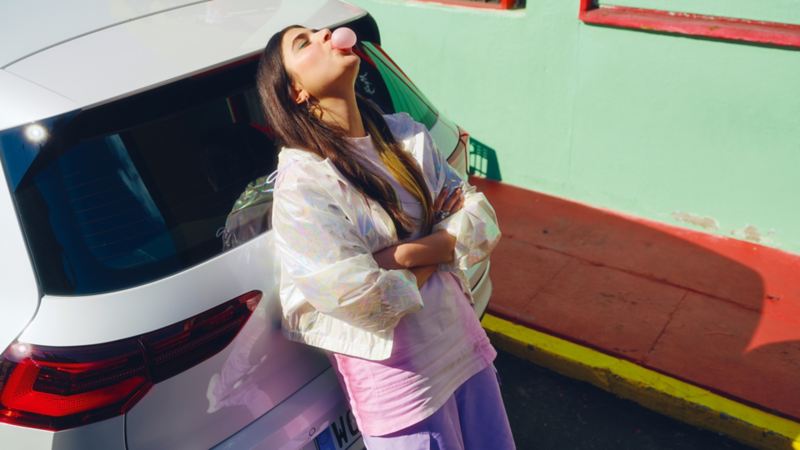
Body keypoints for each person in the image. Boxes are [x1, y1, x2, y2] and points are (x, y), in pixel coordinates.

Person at [255, 24, 516, 450]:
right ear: (295, 93)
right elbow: (362, 299)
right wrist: (447, 242)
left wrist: (407, 253)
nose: (325, 35)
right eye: (304, 42)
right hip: (404, 396)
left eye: (319, 30)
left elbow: (481, 219)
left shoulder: (406, 136)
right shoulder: (304, 183)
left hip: (466, 353)